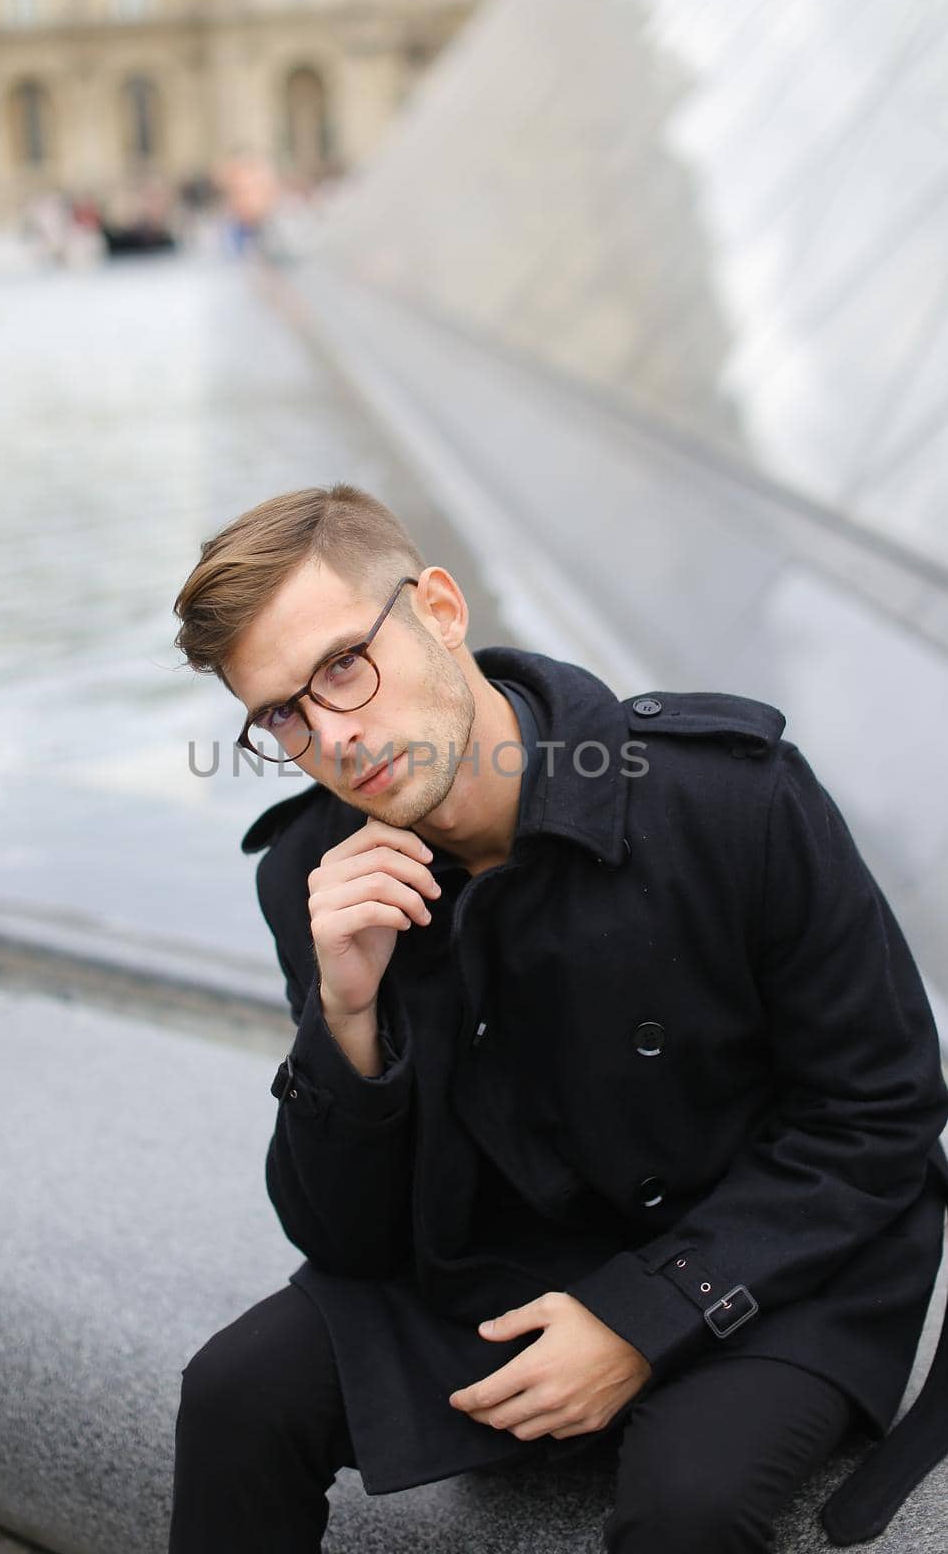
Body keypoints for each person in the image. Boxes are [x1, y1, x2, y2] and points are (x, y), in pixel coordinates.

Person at [168, 483, 948, 1553]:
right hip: (510, 1264)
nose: (333, 736)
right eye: (281, 714)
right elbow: (340, 1237)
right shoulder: (314, 869)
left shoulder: (727, 800)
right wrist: (345, 1019)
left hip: (771, 1262)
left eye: (343, 665)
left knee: (688, 1504)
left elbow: (881, 1111)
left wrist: (646, 1313)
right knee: (233, 1396)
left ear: (440, 608)